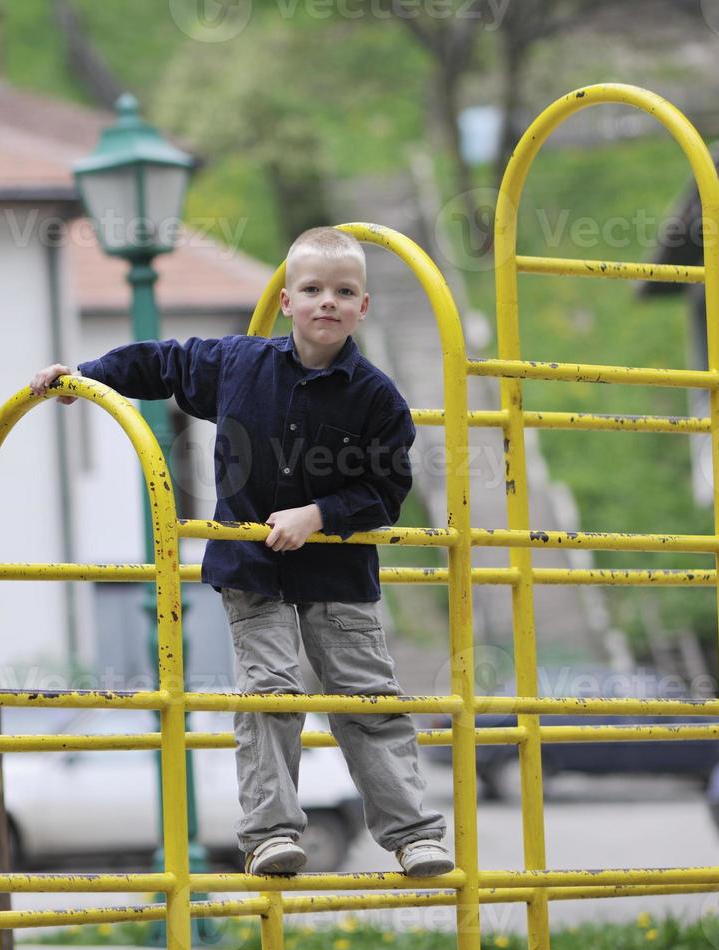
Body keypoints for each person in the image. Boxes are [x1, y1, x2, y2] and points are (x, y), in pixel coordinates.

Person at [28, 227, 452, 878]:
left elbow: (387, 491)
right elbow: (161, 363)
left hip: (337, 574)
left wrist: (318, 515)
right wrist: (84, 378)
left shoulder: (376, 399)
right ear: (287, 302)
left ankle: (414, 836)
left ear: (363, 308)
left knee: (367, 699)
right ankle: (271, 834)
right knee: (270, 693)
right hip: (254, 570)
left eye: (344, 292)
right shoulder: (238, 365)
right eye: (312, 290)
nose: (327, 303)